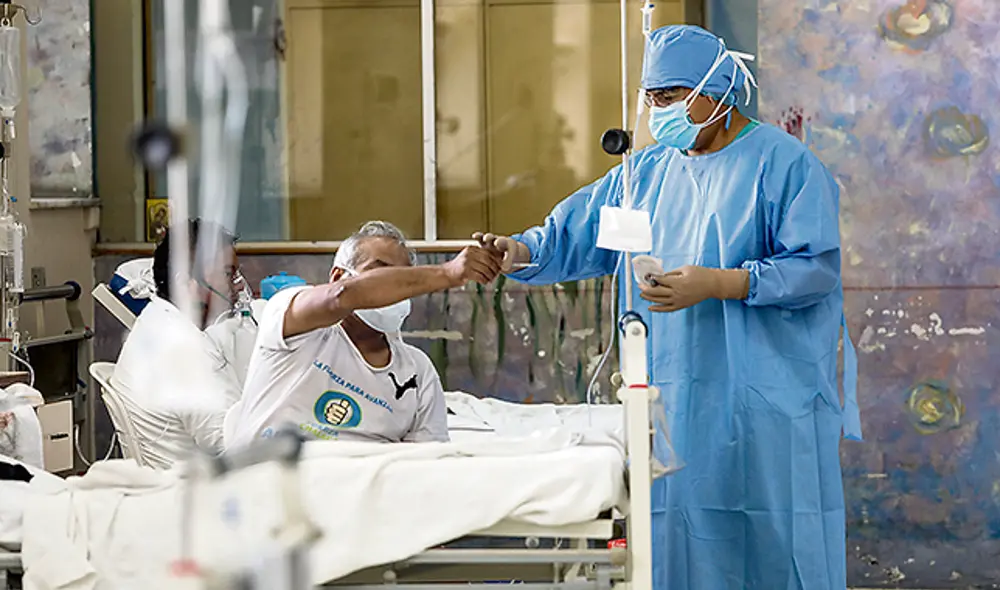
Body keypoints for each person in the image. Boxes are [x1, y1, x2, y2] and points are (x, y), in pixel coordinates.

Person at [474, 25, 861, 590]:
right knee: (675, 529)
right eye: (652, 98)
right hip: (674, 400)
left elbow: (815, 268)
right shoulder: (647, 172)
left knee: (774, 530)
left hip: (765, 398)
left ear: (719, 89)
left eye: (672, 96)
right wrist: (521, 249)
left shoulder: (784, 164)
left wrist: (722, 283)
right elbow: (575, 232)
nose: (659, 110)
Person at [224, 221, 503, 448]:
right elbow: (340, 297)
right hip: (271, 488)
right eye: (380, 273)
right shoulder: (291, 321)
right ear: (337, 276)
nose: (393, 287)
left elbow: (425, 465)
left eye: (403, 279)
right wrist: (447, 273)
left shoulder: (417, 373)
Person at [111, 219, 245, 469]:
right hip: (196, 493)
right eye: (228, 274)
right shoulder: (185, 350)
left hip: (171, 482)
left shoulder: (155, 321)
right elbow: (234, 442)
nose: (238, 286)